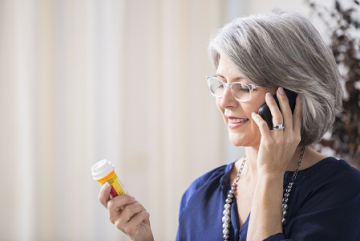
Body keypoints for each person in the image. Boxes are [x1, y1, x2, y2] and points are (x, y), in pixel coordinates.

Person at [98, 9, 360, 241]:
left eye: (243, 87)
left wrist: (270, 174)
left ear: (293, 97)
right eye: (221, 83)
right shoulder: (200, 194)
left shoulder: (342, 191)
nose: (224, 101)